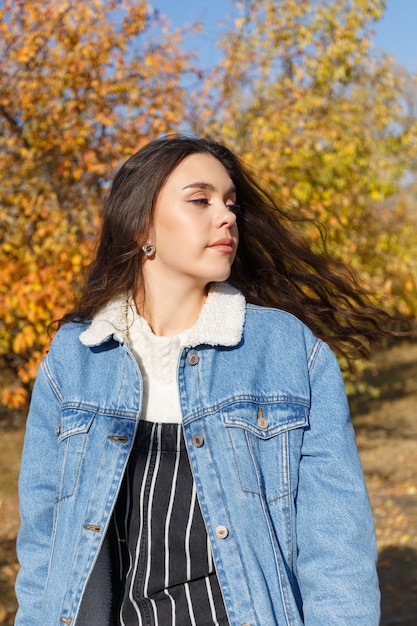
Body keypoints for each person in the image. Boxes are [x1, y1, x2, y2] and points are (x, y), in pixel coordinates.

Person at [15, 135, 394, 626]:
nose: (227, 217)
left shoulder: (287, 351)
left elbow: (337, 550)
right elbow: (43, 544)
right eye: (201, 200)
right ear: (140, 226)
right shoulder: (76, 357)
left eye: (231, 203)